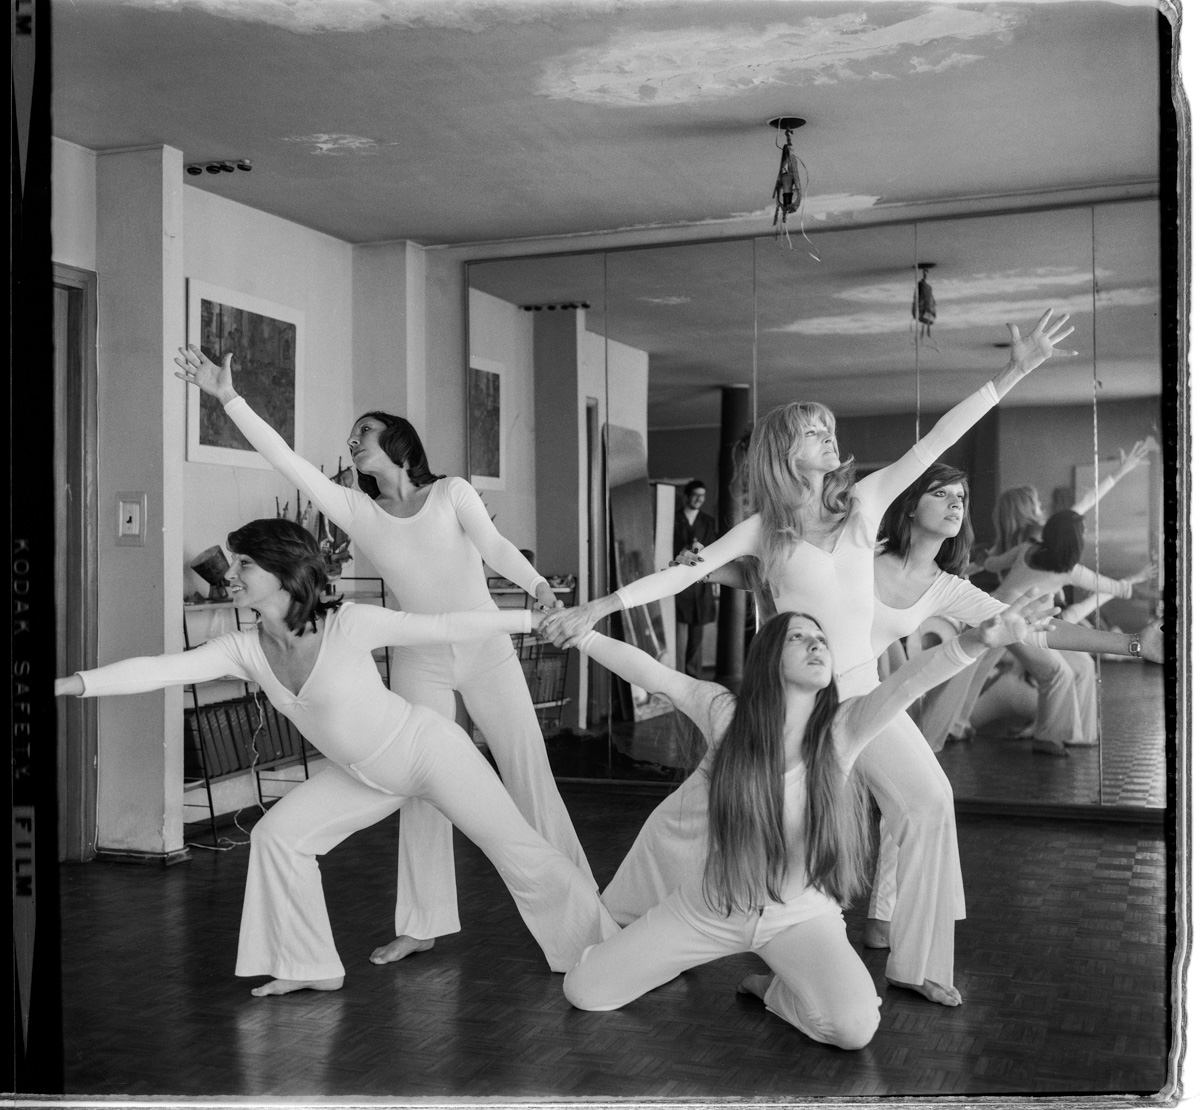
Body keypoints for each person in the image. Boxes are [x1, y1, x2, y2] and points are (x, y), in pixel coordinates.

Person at [542, 309, 1076, 1007]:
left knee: (928, 800)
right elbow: (676, 578)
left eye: (830, 429)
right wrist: (596, 609)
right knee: (695, 815)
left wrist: (1013, 371)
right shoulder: (761, 530)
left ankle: (915, 963)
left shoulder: (865, 504)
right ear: (785, 452)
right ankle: (625, 921)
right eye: (816, 432)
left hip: (861, 694)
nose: (831, 438)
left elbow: (937, 440)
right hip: (787, 701)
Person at [55, 519, 616, 996]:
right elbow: (158, 670)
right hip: (363, 775)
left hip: (427, 753)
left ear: (282, 572)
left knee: (520, 854)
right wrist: (69, 685)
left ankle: (607, 950)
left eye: (245, 563)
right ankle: (308, 966)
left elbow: (444, 625)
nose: (232, 574)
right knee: (279, 838)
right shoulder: (244, 649)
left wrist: (533, 621)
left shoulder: (348, 623)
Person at [174, 345, 592, 967]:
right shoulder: (360, 513)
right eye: (350, 437)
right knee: (424, 788)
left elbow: (496, 547)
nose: (353, 442)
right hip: (420, 658)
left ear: (398, 441)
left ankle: (584, 910)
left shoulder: (451, 494)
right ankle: (423, 922)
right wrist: (228, 398)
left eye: (363, 432)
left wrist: (538, 589)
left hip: (484, 650)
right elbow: (287, 461)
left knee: (528, 772)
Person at [556, 595, 1055, 1046]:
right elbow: (653, 674)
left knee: (855, 1030)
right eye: (798, 637)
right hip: (712, 906)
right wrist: (583, 636)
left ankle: (771, 989)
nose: (816, 645)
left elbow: (909, 681)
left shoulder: (844, 728)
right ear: (769, 657)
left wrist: (978, 640)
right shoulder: (725, 714)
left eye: (821, 639)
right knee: (584, 991)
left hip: (799, 917)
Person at [864, 464, 1164, 946]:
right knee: (807, 810)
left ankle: (885, 921)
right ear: (909, 506)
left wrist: (1132, 644)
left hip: (874, 700)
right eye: (940, 493)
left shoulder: (947, 586)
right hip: (815, 689)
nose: (955, 502)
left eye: (961, 496)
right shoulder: (865, 556)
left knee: (925, 797)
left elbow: (1039, 630)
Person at [963, 508, 1157, 755]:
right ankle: (1047, 737)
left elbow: (992, 564)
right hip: (1015, 623)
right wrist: (1144, 584)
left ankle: (1081, 736)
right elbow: (1117, 589)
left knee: (1084, 665)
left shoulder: (1027, 549)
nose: (1085, 535)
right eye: (1083, 532)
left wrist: (982, 559)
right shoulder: (1068, 570)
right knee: (1058, 673)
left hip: (1004, 615)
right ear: (1073, 539)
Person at [984, 437, 1154, 570]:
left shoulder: (1002, 545)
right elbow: (1088, 499)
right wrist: (1122, 471)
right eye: (1036, 503)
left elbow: (980, 564)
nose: (1041, 505)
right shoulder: (1041, 532)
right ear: (1025, 511)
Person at [672, 480, 719, 677]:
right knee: (678, 636)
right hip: (678, 582)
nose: (699, 499)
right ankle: (677, 676)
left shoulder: (708, 521)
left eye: (703, 495)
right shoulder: (673, 518)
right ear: (686, 496)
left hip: (700, 583)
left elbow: (714, 550)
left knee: (697, 637)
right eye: (695, 495)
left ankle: (694, 677)